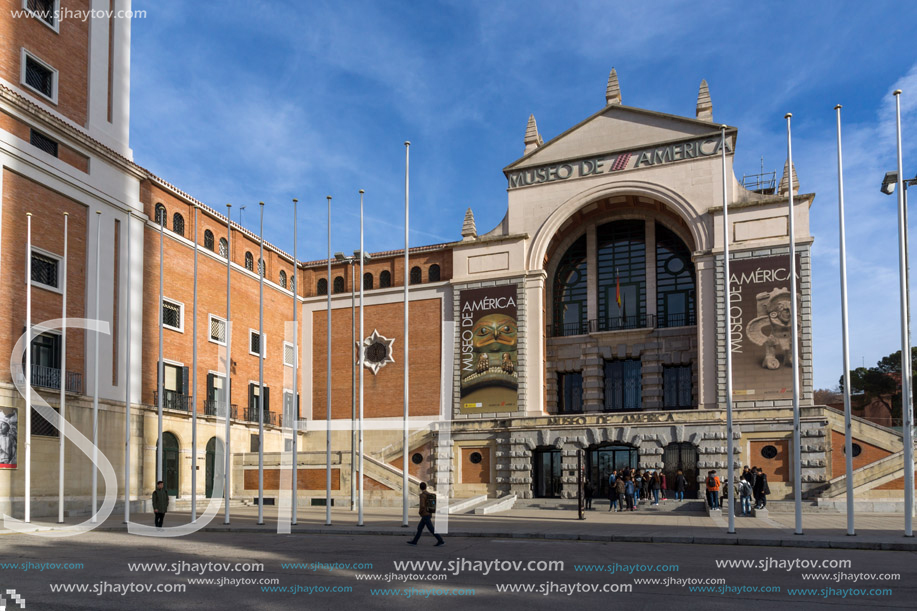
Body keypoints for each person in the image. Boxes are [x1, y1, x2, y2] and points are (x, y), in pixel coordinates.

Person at [408, 482, 444, 546]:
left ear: (420, 487)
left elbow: (422, 505)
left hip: (425, 514)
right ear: (426, 487)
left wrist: (420, 512)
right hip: (429, 512)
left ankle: (440, 540)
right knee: (420, 528)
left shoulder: (422, 495)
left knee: (431, 529)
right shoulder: (428, 494)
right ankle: (414, 541)